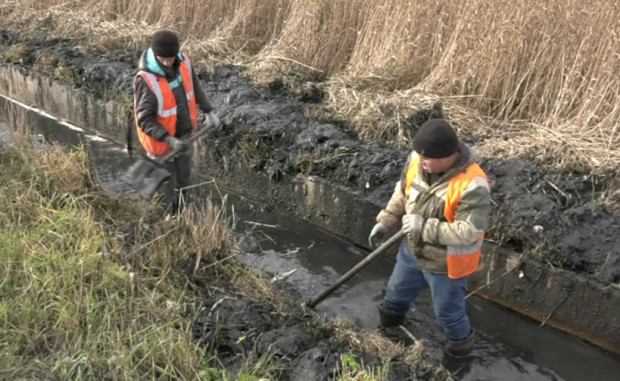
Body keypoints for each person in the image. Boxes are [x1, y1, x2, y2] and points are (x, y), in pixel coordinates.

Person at [368, 119, 491, 357]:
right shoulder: (417, 162)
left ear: (448, 156)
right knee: (393, 296)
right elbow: (402, 193)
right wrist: (386, 220)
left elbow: (469, 232)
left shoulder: (473, 184)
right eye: (420, 156)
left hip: (446, 265)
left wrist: (424, 227)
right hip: (412, 252)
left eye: (427, 159)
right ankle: (387, 333)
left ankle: (460, 352)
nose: (421, 162)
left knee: (448, 313)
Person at [133, 29, 219, 209]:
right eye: (162, 58)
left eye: (170, 58)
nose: (166, 62)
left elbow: (195, 87)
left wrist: (209, 111)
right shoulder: (146, 80)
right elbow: (145, 120)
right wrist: (168, 139)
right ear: (155, 54)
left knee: (183, 180)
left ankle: (182, 212)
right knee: (164, 187)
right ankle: (164, 220)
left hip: (185, 136)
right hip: (161, 146)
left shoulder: (184, 63)